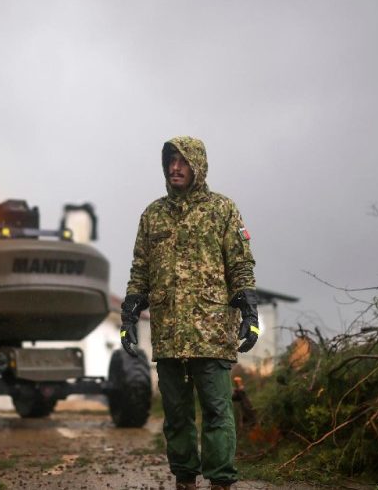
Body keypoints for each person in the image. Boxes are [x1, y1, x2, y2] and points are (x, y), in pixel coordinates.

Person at [121, 136, 259, 490]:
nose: (174, 168)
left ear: (198, 164)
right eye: (170, 161)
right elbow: (140, 270)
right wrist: (130, 314)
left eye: (182, 161)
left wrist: (249, 311)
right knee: (177, 415)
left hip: (211, 331)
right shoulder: (152, 215)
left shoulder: (221, 210)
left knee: (216, 411)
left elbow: (240, 265)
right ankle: (185, 479)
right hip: (168, 332)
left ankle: (220, 482)